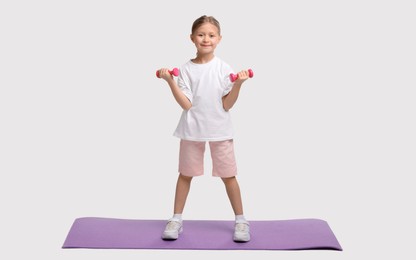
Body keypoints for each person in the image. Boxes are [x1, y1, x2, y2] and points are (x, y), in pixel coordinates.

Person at [157, 15, 252, 242]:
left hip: (220, 130)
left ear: (219, 39)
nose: (206, 39)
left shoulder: (223, 68)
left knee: (229, 176)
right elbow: (186, 104)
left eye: (211, 35)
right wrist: (170, 81)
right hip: (192, 130)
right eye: (201, 35)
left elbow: (227, 105)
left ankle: (241, 221)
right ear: (192, 38)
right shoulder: (186, 70)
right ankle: (176, 219)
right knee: (185, 174)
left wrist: (238, 83)